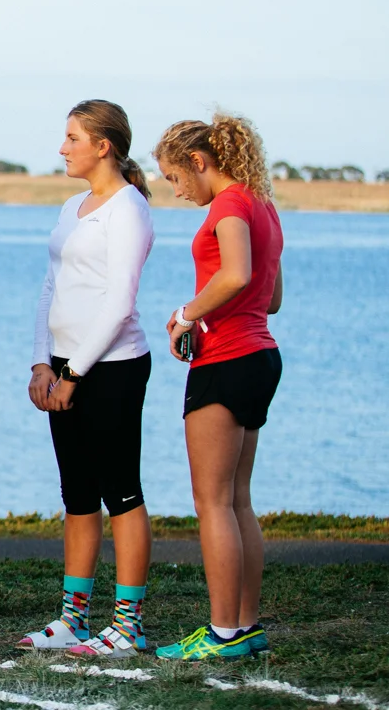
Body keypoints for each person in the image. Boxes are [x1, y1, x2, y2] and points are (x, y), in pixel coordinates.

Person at [19, 100, 155, 658]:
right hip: (64, 367)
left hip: (115, 369)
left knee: (120, 492)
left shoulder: (129, 209)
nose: (62, 147)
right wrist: (41, 362)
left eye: (73, 137)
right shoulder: (75, 205)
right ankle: (73, 619)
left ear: (104, 145)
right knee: (77, 495)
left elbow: (119, 303)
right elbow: (51, 288)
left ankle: (128, 624)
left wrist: (75, 372)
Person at [152, 113, 284, 662]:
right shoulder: (263, 207)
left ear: (200, 162)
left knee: (211, 502)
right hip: (260, 356)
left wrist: (186, 313)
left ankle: (224, 632)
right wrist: (211, 314)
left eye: (176, 178)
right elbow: (271, 297)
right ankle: (245, 627)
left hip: (226, 362)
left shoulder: (229, 206)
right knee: (237, 500)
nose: (176, 190)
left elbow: (236, 276)